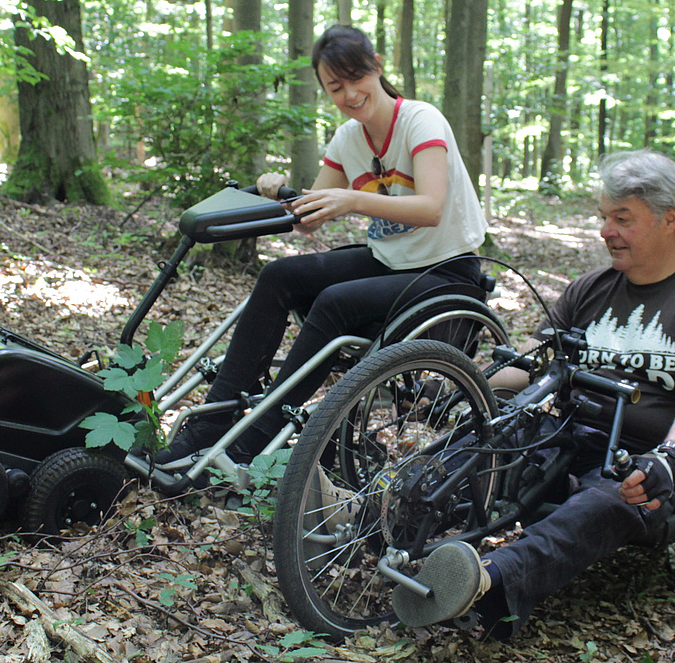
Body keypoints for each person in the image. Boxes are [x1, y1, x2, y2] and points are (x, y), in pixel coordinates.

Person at [391, 149, 675, 638]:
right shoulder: (590, 289)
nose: (606, 230)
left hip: (648, 458)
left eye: (622, 218)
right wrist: (456, 387)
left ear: (670, 219)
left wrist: (670, 457)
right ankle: (375, 516)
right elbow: (532, 366)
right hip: (566, 431)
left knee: (604, 503)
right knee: (487, 439)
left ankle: (487, 582)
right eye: (604, 216)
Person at [162, 24, 488, 463]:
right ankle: (214, 418)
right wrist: (279, 193)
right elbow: (309, 219)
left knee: (335, 301)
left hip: (447, 271)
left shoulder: (420, 120)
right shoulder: (348, 138)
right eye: (336, 87)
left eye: (357, 79)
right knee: (280, 274)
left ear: (377, 68)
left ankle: (257, 434)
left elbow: (431, 207)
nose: (350, 94)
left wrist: (352, 199)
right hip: (390, 262)